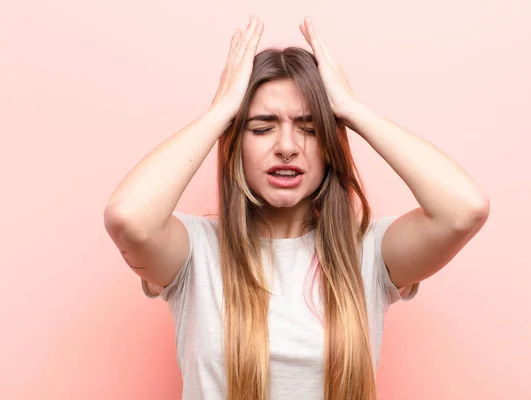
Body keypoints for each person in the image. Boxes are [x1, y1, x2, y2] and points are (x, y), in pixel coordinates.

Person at [103, 15, 490, 400]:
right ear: (235, 143)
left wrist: (354, 110)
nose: (287, 146)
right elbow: (128, 217)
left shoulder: (368, 252)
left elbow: (465, 209)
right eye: (261, 127)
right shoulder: (195, 252)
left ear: (329, 147)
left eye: (309, 128)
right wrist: (219, 111)